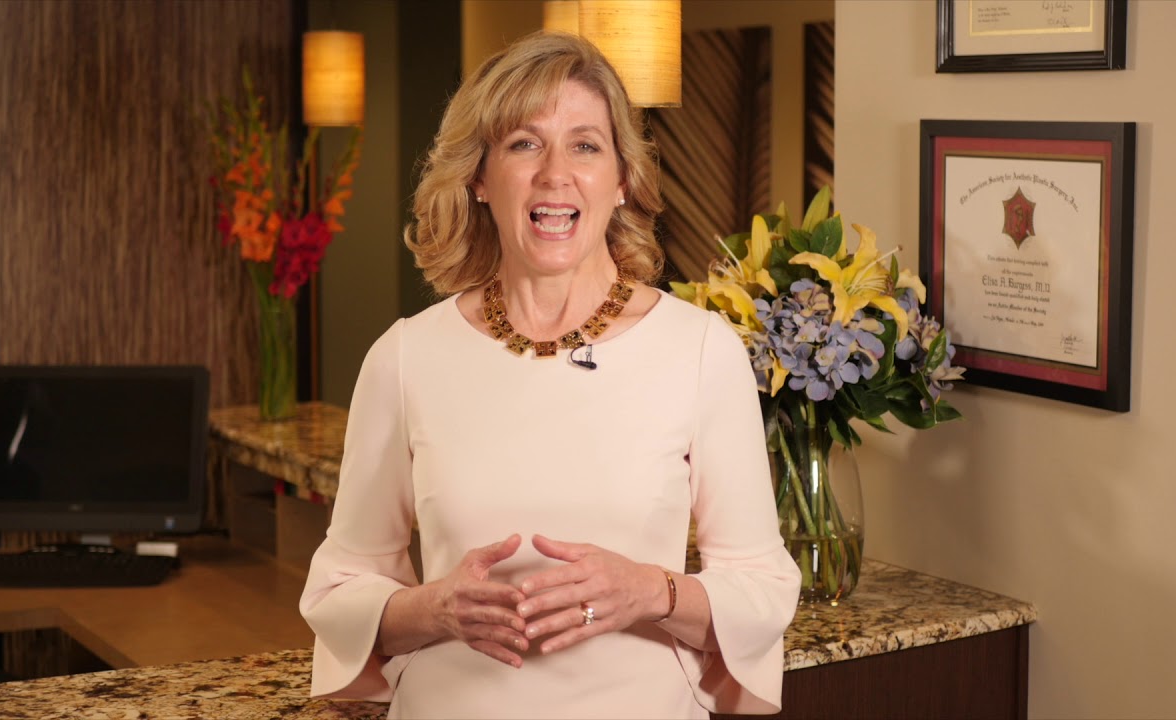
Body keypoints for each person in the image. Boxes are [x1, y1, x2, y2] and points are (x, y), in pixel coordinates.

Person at [300, 31, 802, 719]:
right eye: (524, 144)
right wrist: (435, 608)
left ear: (622, 181)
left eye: (585, 145)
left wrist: (650, 592)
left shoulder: (701, 351)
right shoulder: (405, 357)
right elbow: (340, 589)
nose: (555, 174)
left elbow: (763, 589)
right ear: (479, 178)